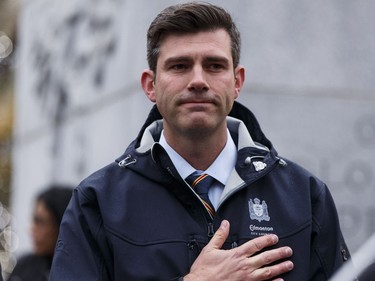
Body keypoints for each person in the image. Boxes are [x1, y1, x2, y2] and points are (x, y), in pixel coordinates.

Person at [50, 2, 351, 280]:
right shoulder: (98, 201)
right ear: (150, 85)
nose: (198, 80)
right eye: (179, 66)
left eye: (214, 65)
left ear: (237, 82)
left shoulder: (304, 195)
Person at [7, 186, 72, 281]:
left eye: (40, 222)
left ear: (61, 225)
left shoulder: (79, 272)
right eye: (34, 220)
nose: (31, 230)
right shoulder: (25, 266)